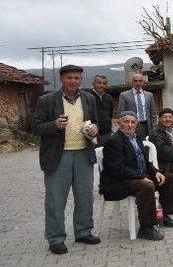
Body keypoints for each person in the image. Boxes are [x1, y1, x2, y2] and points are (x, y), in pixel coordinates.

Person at [32, 65, 101, 254]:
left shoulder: (88, 98)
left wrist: (94, 128)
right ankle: (55, 239)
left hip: (83, 154)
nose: (73, 81)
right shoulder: (46, 100)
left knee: (85, 197)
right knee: (55, 200)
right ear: (61, 79)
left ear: (81, 79)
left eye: (77, 78)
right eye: (69, 78)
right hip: (57, 156)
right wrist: (54, 125)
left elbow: (95, 122)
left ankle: (83, 232)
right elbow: (36, 127)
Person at [100, 112, 173, 240]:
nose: (130, 125)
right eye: (126, 122)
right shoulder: (113, 141)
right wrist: (141, 176)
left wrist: (156, 171)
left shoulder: (136, 138)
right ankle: (146, 228)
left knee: (168, 178)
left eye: (133, 122)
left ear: (137, 124)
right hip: (118, 181)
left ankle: (163, 216)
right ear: (119, 123)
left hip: (136, 176)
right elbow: (116, 168)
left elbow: (145, 161)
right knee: (146, 186)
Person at [118, 73, 158, 138]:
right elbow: (121, 113)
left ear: (143, 82)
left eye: (140, 81)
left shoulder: (149, 95)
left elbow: (153, 112)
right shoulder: (124, 95)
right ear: (132, 82)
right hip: (132, 125)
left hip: (147, 125)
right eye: (135, 81)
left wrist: (155, 126)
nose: (138, 83)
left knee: (147, 145)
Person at [91, 74, 114, 146]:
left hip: (107, 133)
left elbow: (110, 114)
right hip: (92, 134)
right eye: (99, 83)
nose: (101, 85)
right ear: (93, 84)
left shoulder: (109, 98)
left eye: (104, 83)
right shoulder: (88, 97)